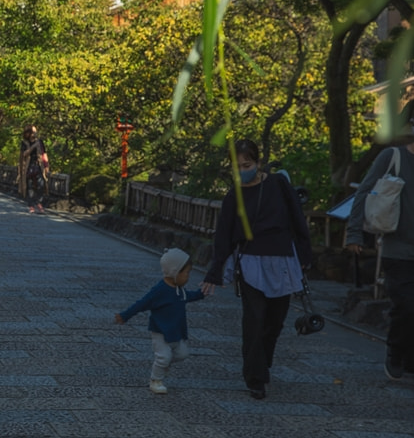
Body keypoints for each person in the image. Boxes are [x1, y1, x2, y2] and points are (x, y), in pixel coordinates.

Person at [200, 138, 312, 400]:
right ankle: (255, 377)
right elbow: (224, 236)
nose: (243, 170)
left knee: (274, 321)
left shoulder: (279, 185)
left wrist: (305, 257)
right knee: (254, 320)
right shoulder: (233, 197)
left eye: (247, 164)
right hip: (251, 263)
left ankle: (264, 363)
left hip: (283, 260)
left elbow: (298, 220)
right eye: (237, 166)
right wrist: (215, 272)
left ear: (259, 163)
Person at [345, 108, 414, 380]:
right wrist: (354, 234)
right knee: (407, 305)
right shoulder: (394, 157)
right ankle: (395, 352)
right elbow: (364, 192)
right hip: (398, 248)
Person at [115, 248, 205, 394]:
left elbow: (188, 296)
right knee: (164, 356)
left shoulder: (179, 289)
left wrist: (202, 294)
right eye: (187, 273)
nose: (188, 277)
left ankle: (163, 366)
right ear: (175, 271)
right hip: (160, 331)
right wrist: (125, 315)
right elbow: (142, 303)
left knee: (182, 354)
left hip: (176, 331)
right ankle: (155, 380)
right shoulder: (160, 290)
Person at [18, 125, 49, 213]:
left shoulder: (40, 142)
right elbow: (24, 154)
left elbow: (44, 153)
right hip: (28, 166)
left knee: (41, 185)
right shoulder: (25, 143)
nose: (35, 133)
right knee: (30, 186)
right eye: (33, 131)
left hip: (38, 165)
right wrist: (33, 147)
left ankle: (39, 202)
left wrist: (46, 165)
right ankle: (31, 205)